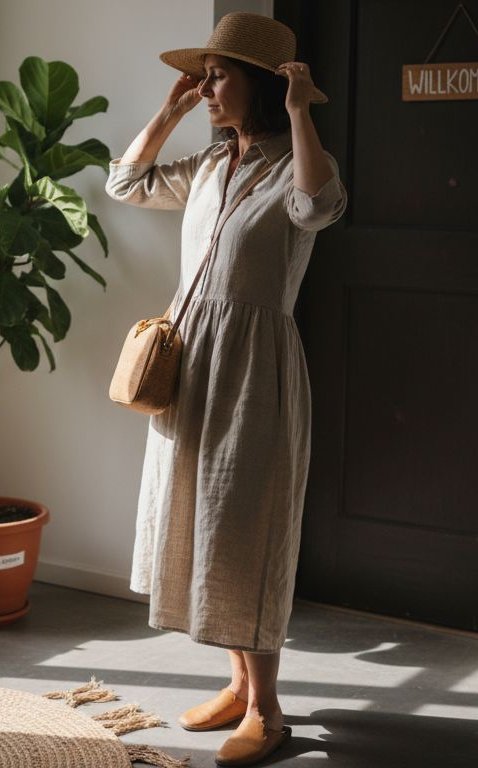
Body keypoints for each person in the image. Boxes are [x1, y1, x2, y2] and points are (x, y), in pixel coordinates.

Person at [105, 11, 347, 768]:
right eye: (203, 75)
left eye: (218, 76)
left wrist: (303, 113)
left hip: (254, 366)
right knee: (202, 523)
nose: (207, 87)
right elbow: (125, 181)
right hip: (190, 362)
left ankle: (270, 714)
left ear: (263, 87)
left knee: (247, 531)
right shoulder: (211, 165)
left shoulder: (292, 165)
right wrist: (171, 111)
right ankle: (239, 688)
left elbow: (320, 206)